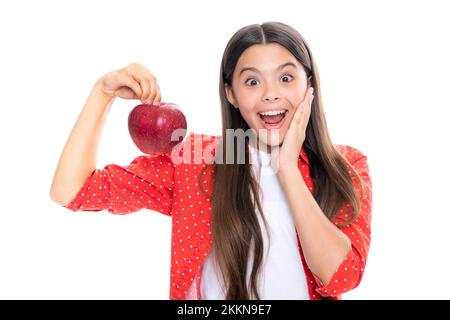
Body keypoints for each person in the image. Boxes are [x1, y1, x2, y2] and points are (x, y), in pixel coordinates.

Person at [50, 21, 372, 300]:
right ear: (231, 93)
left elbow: (341, 276)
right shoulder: (197, 159)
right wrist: (101, 93)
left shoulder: (345, 165)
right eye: (252, 81)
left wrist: (286, 166)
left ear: (309, 83)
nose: (270, 94)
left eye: (286, 78)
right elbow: (71, 190)